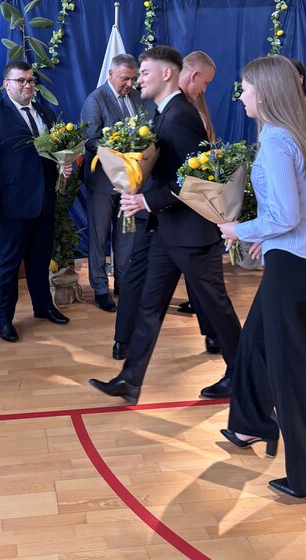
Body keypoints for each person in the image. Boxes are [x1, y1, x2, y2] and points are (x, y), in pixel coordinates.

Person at [218, 55, 306, 501]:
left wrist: (239, 230)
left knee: (293, 369)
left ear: (266, 92)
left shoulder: (276, 140)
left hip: (294, 266)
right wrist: (266, 237)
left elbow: (285, 215)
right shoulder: (300, 131)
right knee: (256, 341)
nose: (241, 95)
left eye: (246, 88)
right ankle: (251, 423)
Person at [89, 46, 241, 403]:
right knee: (149, 306)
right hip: (167, 231)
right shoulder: (164, 112)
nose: (138, 80)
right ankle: (130, 380)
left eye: (144, 73)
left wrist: (146, 201)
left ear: (167, 74)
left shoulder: (181, 115)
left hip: (191, 236)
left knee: (217, 308)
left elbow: (195, 178)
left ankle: (243, 374)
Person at [112, 50, 220, 360]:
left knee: (193, 282)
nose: (204, 90)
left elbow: (190, 169)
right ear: (192, 75)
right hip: (161, 208)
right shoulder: (170, 107)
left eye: (144, 73)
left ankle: (214, 337)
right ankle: (126, 343)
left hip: (166, 209)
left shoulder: (177, 108)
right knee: (157, 277)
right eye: (205, 83)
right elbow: (186, 173)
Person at [0, 60, 70, 342]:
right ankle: (3, 319)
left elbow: (52, 155)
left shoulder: (46, 114)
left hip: (43, 203)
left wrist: (63, 165)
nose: (27, 85)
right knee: (7, 265)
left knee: (39, 261)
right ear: (6, 84)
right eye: (21, 80)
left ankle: (43, 307)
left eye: (30, 80)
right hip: (8, 206)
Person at [80, 54, 142, 312]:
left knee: (127, 235)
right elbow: (90, 140)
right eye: (125, 78)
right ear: (111, 74)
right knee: (99, 236)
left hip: (131, 182)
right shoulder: (95, 99)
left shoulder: (137, 97)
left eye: (133, 78)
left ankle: (124, 284)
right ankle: (100, 289)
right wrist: (119, 153)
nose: (130, 84)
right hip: (103, 182)